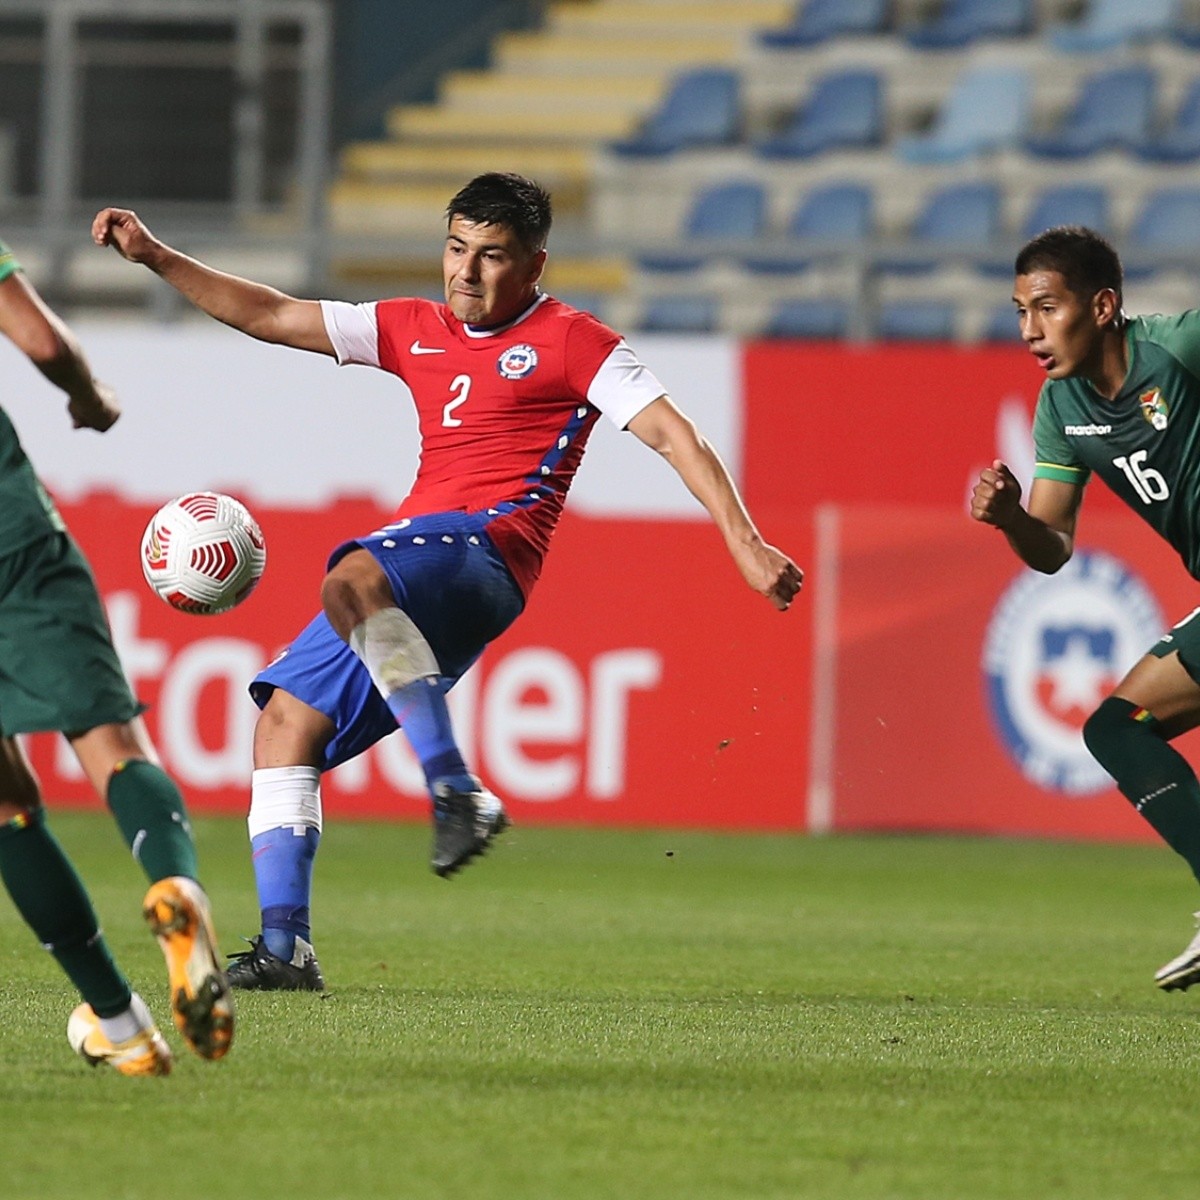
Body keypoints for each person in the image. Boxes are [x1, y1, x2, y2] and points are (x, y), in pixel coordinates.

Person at [92, 172, 803, 992]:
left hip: (488, 550)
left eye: (492, 256)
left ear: (533, 265)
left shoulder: (576, 341)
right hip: (421, 567)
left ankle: (456, 789)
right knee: (285, 724)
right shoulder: (411, 327)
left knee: (350, 575)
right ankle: (287, 949)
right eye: (456, 248)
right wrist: (153, 257)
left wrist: (743, 543)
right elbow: (269, 313)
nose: (466, 272)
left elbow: (675, 434)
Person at [0, 239, 233, 1072]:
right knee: (109, 743)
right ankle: (176, 887)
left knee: (4, 807)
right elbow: (42, 341)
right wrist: (89, 396)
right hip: (12, 537)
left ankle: (121, 1024)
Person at [971, 223, 1200, 992]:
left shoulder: (1181, 346)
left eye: (1046, 306)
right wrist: (1011, 519)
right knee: (1115, 727)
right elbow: (1053, 546)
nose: (1031, 330)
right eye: (1019, 311)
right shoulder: (1059, 406)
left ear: (1102, 307)